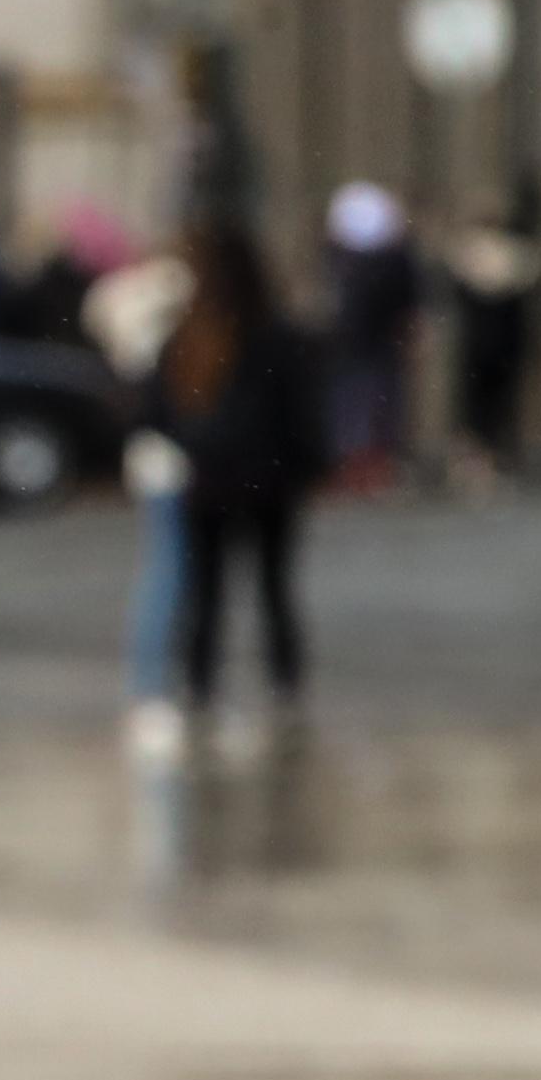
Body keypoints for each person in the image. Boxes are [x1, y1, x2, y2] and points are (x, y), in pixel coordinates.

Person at [149, 223, 326, 733]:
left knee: (207, 592)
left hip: (210, 481)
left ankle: (202, 687)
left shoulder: (190, 335)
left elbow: (156, 410)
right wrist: (303, 465)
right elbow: (301, 413)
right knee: (272, 589)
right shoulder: (276, 336)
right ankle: (283, 685)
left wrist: (196, 442)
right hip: (267, 483)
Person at [84, 232, 199, 711]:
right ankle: (154, 676)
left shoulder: (121, 311)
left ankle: (153, 673)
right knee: (172, 570)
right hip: (174, 460)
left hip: (153, 462)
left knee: (166, 567)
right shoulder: (165, 311)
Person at [320, 180, 420, 493]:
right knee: (366, 406)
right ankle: (362, 466)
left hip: (367, 343)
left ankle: (367, 466)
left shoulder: (364, 261)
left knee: (368, 406)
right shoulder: (386, 258)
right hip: (362, 344)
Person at [444, 207, 541, 494]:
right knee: (498, 405)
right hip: (504, 346)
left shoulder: (471, 260)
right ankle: (493, 456)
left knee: (478, 405)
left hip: (480, 346)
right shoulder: (518, 262)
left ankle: (479, 457)